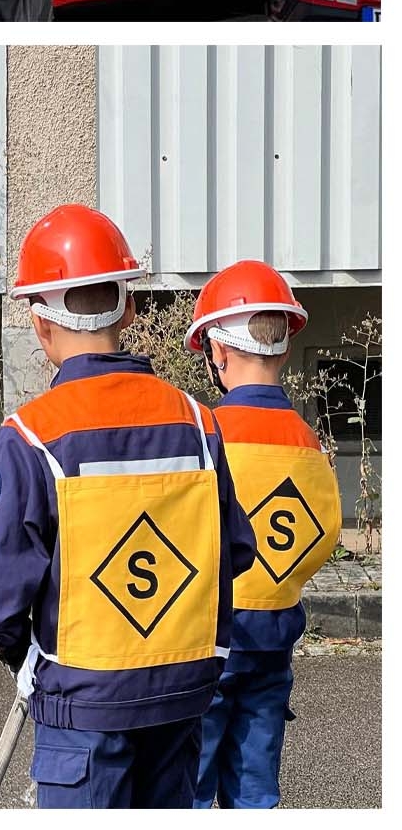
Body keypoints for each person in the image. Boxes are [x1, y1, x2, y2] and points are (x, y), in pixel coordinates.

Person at [0, 204, 256, 808]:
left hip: (82, 709)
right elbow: (237, 551)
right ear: (128, 308)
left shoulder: (31, 437)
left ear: (40, 326)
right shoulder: (198, 423)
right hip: (182, 699)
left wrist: (28, 658)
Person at [186, 262, 341, 808]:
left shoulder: (207, 431)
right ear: (281, 348)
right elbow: (326, 527)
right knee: (256, 782)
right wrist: (280, 580)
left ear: (218, 353)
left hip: (210, 638)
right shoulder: (306, 439)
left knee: (194, 784)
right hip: (275, 637)